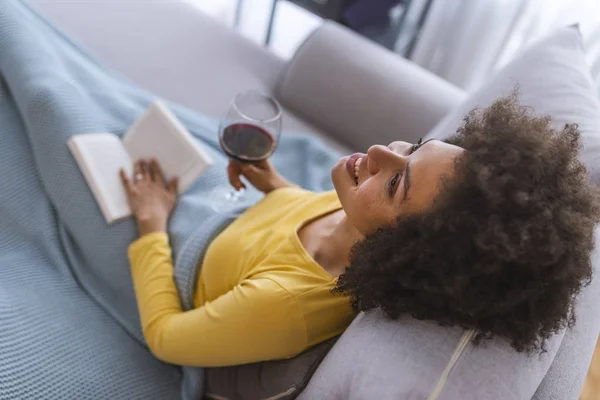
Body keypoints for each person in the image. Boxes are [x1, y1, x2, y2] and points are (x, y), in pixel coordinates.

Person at [120, 95, 600, 367]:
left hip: (156, 247)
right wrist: (276, 186)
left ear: (408, 254)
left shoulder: (286, 307)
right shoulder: (358, 215)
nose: (377, 150)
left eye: (395, 181)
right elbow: (294, 225)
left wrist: (150, 219)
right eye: (414, 147)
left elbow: (165, 337)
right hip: (207, 205)